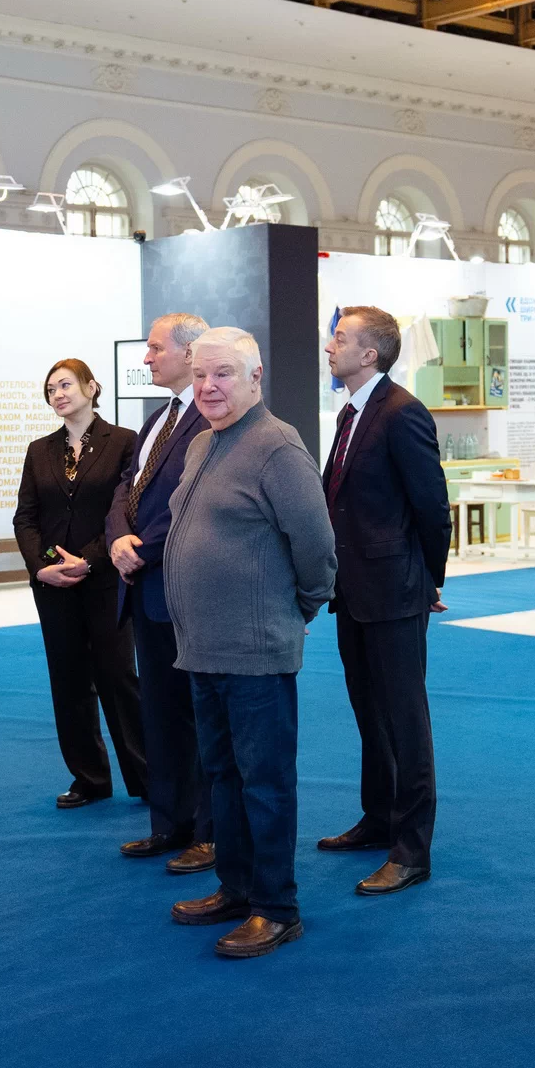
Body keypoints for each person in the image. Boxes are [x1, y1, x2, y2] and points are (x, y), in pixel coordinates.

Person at [164, 328, 336, 959]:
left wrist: (297, 609)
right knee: (223, 777)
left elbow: (316, 547)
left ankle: (276, 907)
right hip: (204, 648)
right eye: (200, 375)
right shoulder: (202, 443)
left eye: (223, 374)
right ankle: (236, 888)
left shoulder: (276, 447)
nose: (208, 387)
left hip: (255, 651)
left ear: (255, 376)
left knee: (264, 783)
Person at [317, 306, 451, 896]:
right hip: (353, 590)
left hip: (395, 590)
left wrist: (429, 579)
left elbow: (431, 504)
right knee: (368, 712)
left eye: (340, 338)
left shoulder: (401, 412)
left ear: (369, 354)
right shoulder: (351, 413)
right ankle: (378, 819)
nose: (330, 346)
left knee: (405, 721)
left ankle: (412, 849)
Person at [105, 313, 216, 874]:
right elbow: (126, 487)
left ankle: (209, 833)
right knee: (162, 713)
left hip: (185, 588)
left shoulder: (211, 418)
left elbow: (193, 502)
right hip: (144, 588)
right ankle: (169, 822)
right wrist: (116, 538)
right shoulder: (156, 419)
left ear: (189, 354)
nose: (146, 358)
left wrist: (141, 549)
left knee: (202, 717)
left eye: (154, 348)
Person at [13, 359, 146, 810]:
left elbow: (126, 510)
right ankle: (89, 779)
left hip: (106, 578)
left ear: (92, 387)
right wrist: (41, 567)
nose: (58, 394)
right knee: (67, 681)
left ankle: (148, 777)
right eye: (51, 389)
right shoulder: (39, 450)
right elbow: (26, 517)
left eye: (66, 385)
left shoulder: (124, 442)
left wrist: (88, 560)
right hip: (53, 584)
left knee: (118, 677)